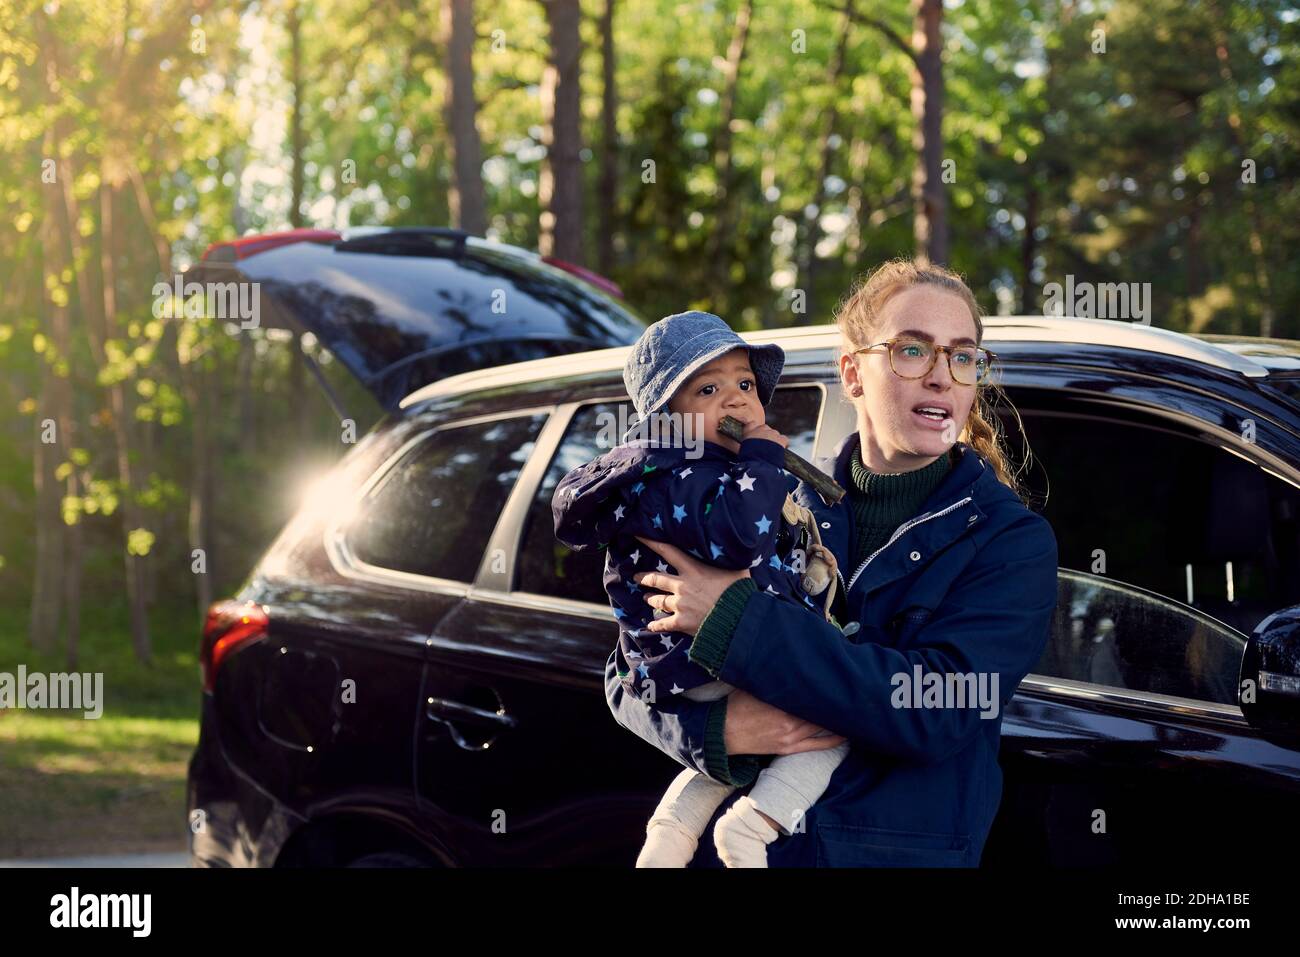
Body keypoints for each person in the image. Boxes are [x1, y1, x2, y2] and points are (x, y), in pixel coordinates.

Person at [609, 260, 1060, 867]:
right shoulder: (769, 502)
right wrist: (712, 734)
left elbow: (942, 706)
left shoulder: (1011, 542)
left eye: (961, 356)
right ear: (853, 372)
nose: (940, 378)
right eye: (912, 351)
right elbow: (625, 670)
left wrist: (735, 621)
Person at [552, 311, 845, 867]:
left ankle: (670, 836)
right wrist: (762, 460)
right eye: (708, 389)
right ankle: (754, 826)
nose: (736, 401)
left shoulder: (689, 472)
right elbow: (741, 540)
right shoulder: (677, 477)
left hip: (686, 668)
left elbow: (765, 557)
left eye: (745, 384)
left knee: (748, 746)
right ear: (667, 419)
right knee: (834, 722)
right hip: (704, 659)